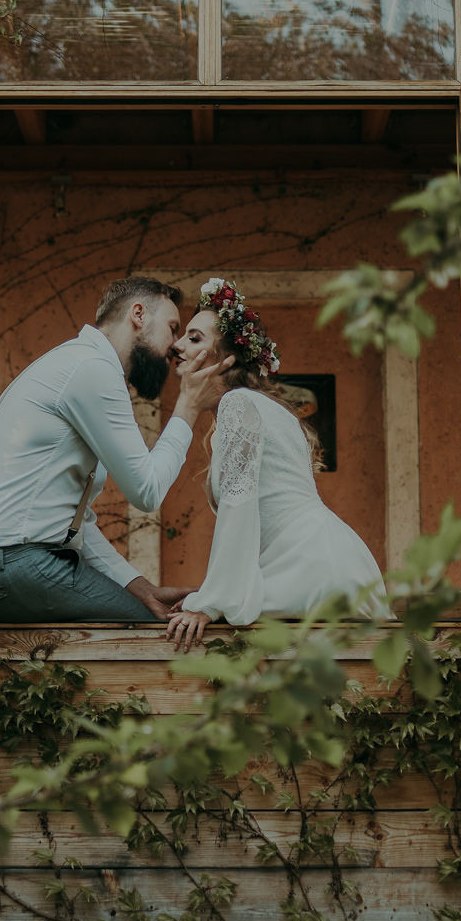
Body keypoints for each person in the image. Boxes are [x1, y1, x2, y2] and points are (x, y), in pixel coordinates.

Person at [0, 275, 232, 622]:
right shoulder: (93, 369)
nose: (175, 346)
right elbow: (147, 491)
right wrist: (188, 407)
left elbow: (77, 522)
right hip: (15, 566)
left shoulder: (75, 362)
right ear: (138, 315)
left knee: (148, 617)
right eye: (172, 328)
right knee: (155, 637)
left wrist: (140, 587)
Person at [164, 278, 388, 650]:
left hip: (310, 567)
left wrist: (212, 602)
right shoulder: (257, 407)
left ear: (226, 358)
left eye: (194, 338)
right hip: (330, 559)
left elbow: (240, 507)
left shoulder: (239, 405)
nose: (177, 346)